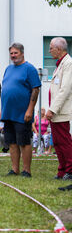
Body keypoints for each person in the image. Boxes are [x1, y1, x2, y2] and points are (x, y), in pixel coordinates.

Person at [0, 43, 41, 177]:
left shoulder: (29, 69)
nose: (13, 56)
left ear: (22, 53)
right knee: (11, 142)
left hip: (23, 113)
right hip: (8, 112)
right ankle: (15, 169)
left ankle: (26, 170)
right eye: (11, 53)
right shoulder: (8, 69)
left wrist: (30, 110)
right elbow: (6, 89)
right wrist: (2, 109)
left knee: (24, 142)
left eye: (15, 53)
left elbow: (35, 89)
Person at [46, 37, 72, 181]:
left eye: (51, 48)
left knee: (64, 141)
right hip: (55, 111)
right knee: (56, 142)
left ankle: (70, 170)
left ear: (59, 49)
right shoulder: (60, 64)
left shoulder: (68, 63)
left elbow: (65, 89)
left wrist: (52, 109)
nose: (49, 51)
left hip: (60, 111)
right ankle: (62, 170)